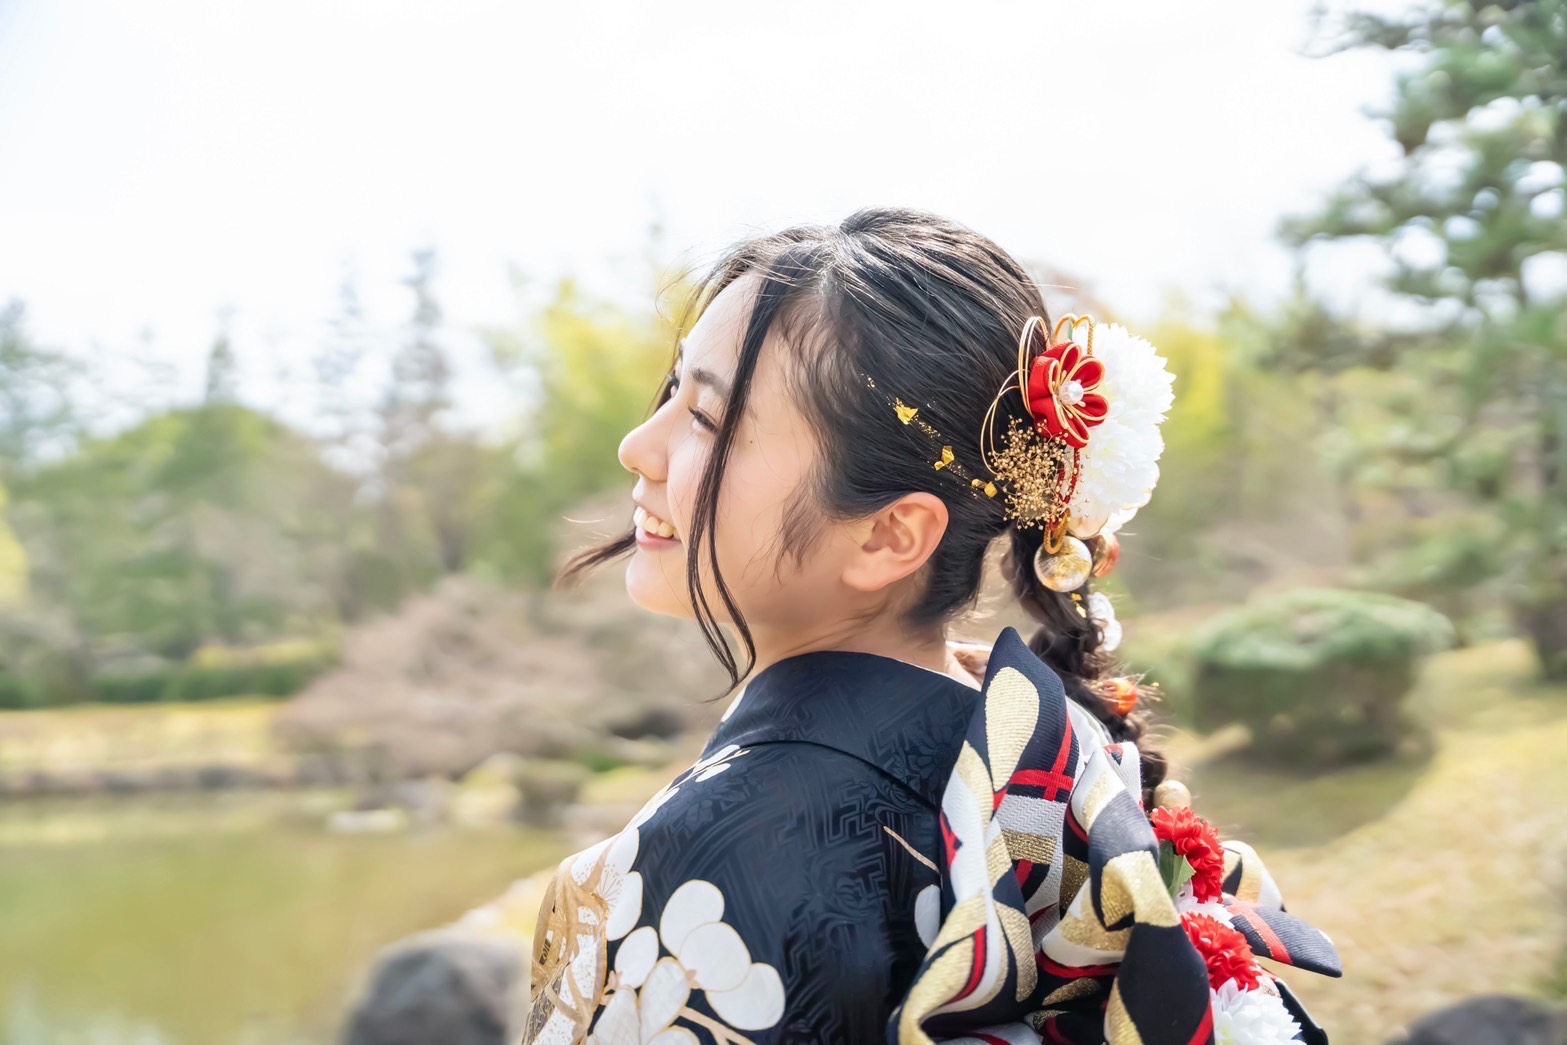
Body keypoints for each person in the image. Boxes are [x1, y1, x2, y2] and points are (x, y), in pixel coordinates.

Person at [523, 207, 1340, 1045]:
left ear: (888, 534)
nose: (637, 445)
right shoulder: (1050, 756)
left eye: (707, 418)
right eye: (673, 391)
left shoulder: (713, 851)